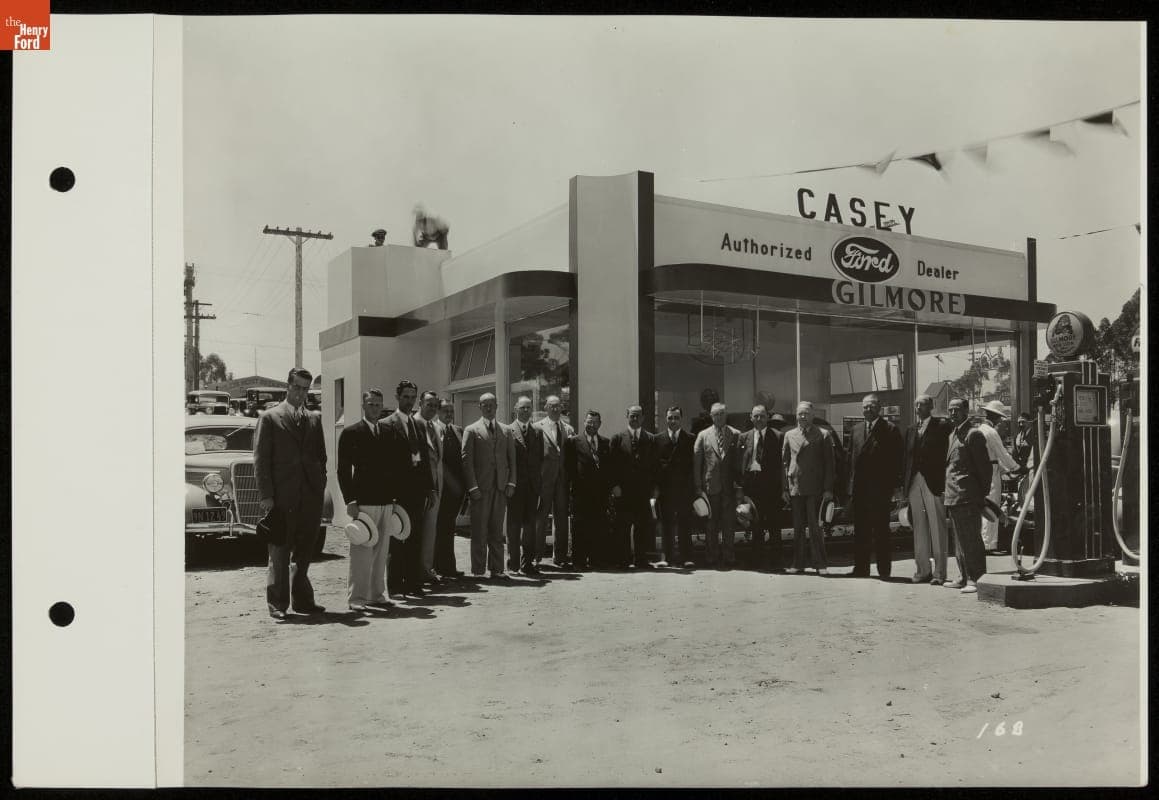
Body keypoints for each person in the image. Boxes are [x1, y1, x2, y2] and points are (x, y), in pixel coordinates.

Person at [253, 367, 328, 620]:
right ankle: (277, 603)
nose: (300, 393)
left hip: (310, 497)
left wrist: (320, 486)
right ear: (288, 386)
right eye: (296, 387)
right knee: (279, 552)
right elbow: (261, 461)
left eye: (305, 389)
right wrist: (267, 496)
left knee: (305, 552)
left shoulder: (314, 419)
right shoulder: (270, 418)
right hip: (282, 498)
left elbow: (321, 457)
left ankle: (303, 601)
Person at [336, 388, 395, 613]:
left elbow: (393, 469)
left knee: (381, 552)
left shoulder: (388, 432)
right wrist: (350, 499)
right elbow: (342, 470)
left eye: (378, 404)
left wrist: (394, 499)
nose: (375, 408)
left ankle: (377, 595)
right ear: (363, 405)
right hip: (364, 502)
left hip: (385, 500)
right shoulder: (352, 433)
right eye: (371, 404)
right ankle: (357, 598)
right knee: (361, 551)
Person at [381, 380, 436, 599]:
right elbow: (384, 465)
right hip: (397, 494)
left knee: (415, 538)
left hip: (417, 494)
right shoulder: (387, 424)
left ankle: (413, 583)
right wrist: (389, 494)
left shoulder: (419, 425)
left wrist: (430, 489)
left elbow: (424, 462)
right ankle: (395, 586)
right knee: (396, 539)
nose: (410, 401)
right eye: (406, 397)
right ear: (397, 397)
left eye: (413, 397)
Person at [847, 393, 904, 580]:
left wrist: (896, 488)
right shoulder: (855, 430)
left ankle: (884, 570)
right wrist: (849, 487)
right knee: (860, 530)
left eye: (871, 406)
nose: (868, 410)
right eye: (865, 407)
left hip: (880, 489)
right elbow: (850, 460)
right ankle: (861, 568)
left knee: (881, 531)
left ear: (879, 408)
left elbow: (897, 461)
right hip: (859, 489)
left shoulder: (890, 429)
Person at [461, 392, 516, 579]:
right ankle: (478, 570)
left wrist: (511, 482)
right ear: (480, 407)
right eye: (485, 404)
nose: (489, 407)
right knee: (479, 530)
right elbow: (466, 462)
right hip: (480, 489)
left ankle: (497, 568)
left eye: (492, 404)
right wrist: (472, 487)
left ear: (497, 406)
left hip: (500, 487)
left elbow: (511, 460)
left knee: (496, 529)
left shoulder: (506, 431)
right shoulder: (471, 430)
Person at [902, 394, 954, 585]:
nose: (918, 408)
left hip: (934, 482)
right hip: (914, 482)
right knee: (919, 528)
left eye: (922, 404)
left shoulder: (942, 426)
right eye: (916, 404)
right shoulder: (910, 430)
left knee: (937, 527)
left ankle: (940, 573)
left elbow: (949, 453)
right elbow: (906, 459)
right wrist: (904, 486)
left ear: (931, 406)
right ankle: (922, 570)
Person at [944, 398, 993, 594]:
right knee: (959, 540)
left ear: (966, 411)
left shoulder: (974, 435)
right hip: (953, 495)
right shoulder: (953, 435)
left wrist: (980, 494)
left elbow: (985, 468)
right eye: (950, 410)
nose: (952, 413)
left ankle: (977, 577)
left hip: (968, 496)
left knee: (971, 539)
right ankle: (963, 575)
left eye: (956, 410)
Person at [781, 401, 835, 575]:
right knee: (797, 528)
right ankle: (798, 563)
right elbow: (784, 462)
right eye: (800, 413)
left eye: (806, 413)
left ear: (813, 415)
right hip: (795, 487)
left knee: (815, 527)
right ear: (796, 415)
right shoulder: (789, 435)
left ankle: (820, 564)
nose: (803, 416)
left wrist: (828, 489)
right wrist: (785, 487)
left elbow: (830, 464)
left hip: (815, 488)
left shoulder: (823, 435)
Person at [738, 404, 788, 572]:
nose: (759, 419)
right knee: (756, 527)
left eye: (762, 416)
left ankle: (776, 561)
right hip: (753, 490)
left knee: (774, 526)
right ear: (751, 418)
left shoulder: (779, 437)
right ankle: (756, 561)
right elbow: (739, 464)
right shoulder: (743, 437)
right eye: (756, 416)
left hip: (772, 490)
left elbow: (783, 465)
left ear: (768, 417)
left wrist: (783, 489)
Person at [609, 404, 659, 569]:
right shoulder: (617, 439)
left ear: (643, 417)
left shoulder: (651, 439)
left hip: (643, 492)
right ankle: (623, 559)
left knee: (642, 527)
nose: (635, 419)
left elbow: (655, 467)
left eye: (638, 416)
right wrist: (614, 485)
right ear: (627, 416)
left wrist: (654, 489)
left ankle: (641, 559)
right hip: (623, 491)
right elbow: (612, 466)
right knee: (622, 526)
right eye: (632, 415)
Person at [693, 401, 742, 568]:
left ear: (726, 415)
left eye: (722, 413)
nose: (719, 417)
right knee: (711, 525)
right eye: (715, 414)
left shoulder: (736, 434)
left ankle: (729, 556)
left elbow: (740, 463)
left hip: (729, 488)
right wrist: (698, 487)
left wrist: (739, 487)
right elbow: (697, 463)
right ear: (711, 416)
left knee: (729, 524)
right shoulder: (703, 435)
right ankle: (711, 557)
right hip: (710, 487)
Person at [564, 410, 610, 570]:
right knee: (580, 527)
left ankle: (597, 559)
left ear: (600, 424)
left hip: (600, 494)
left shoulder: (606, 442)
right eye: (589, 422)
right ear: (584, 422)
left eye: (595, 422)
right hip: (580, 492)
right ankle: (579, 561)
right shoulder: (573, 442)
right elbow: (568, 468)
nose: (592, 425)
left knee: (598, 526)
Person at [534, 394, 574, 569]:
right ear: (546, 408)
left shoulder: (569, 429)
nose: (556, 409)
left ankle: (560, 556)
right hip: (544, 480)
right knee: (541, 518)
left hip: (562, 481)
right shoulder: (537, 428)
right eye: (552, 406)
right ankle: (536, 557)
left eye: (558, 406)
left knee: (562, 519)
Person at [505, 396, 543, 575]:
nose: (526, 411)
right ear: (515, 409)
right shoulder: (508, 431)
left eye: (529, 408)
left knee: (530, 527)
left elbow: (540, 460)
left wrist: (538, 484)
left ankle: (527, 563)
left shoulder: (538, 432)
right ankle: (513, 564)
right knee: (513, 526)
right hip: (515, 486)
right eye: (522, 408)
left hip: (532, 487)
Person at [978, 400, 1022, 552]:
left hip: (987, 468)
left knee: (986, 506)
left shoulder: (981, 429)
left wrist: (1006, 470)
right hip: (991, 472)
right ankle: (988, 544)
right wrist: (1015, 467)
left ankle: (987, 542)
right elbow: (1001, 453)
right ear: (996, 417)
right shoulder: (991, 432)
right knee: (992, 507)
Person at [656, 405, 696, 568]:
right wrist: (656, 488)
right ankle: (667, 557)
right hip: (666, 490)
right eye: (670, 418)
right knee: (666, 524)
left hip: (684, 489)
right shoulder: (658, 439)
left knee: (685, 523)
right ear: (666, 419)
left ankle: (686, 557)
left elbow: (693, 466)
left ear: (681, 419)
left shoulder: (691, 438)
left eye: (676, 418)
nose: (673, 421)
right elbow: (655, 466)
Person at [414, 390, 445, 584]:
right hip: (419, 487)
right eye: (429, 404)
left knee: (430, 530)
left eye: (435, 405)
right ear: (420, 403)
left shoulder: (436, 427)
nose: (432, 408)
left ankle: (425, 570)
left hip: (436, 486)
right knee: (416, 530)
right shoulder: (412, 424)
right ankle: (412, 572)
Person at [434, 399, 466, 578]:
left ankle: (448, 567)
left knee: (449, 528)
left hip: (455, 492)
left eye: (451, 410)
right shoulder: (433, 430)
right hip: (440, 489)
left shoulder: (458, 431)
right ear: (438, 412)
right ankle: (436, 567)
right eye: (445, 410)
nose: (449, 413)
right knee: (437, 528)